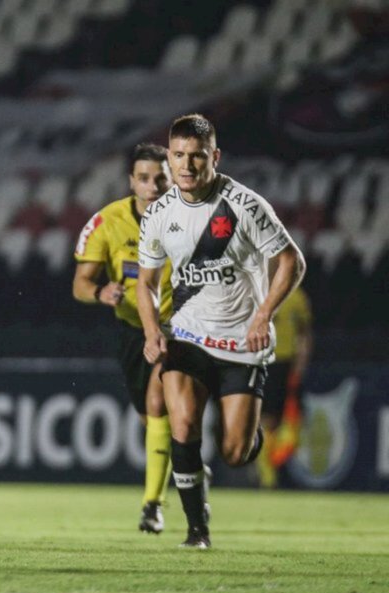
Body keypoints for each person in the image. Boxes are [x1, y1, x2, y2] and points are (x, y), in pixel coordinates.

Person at [137, 113, 306, 549]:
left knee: (234, 452)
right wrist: (152, 329)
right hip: (188, 337)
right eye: (178, 156)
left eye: (196, 157)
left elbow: (292, 261)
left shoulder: (245, 205)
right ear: (169, 159)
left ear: (215, 157)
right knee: (184, 423)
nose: (187, 166)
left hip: (240, 345)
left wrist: (264, 314)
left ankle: (246, 439)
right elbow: (148, 284)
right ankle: (197, 530)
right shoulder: (157, 214)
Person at [73, 143, 174, 534]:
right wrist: (100, 292)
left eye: (160, 178)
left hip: (176, 327)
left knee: (157, 402)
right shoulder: (107, 222)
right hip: (132, 328)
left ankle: (152, 506)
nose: (153, 186)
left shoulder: (188, 218)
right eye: (144, 178)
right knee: (150, 419)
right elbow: (80, 284)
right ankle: (188, 469)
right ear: (131, 181)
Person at [256, 285, 313, 487]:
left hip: (287, 365)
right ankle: (268, 474)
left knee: (291, 422)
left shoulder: (297, 297)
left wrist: (300, 365)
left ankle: (272, 464)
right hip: (263, 361)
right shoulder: (257, 291)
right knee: (267, 419)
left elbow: (304, 334)